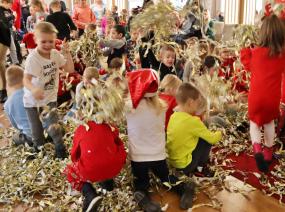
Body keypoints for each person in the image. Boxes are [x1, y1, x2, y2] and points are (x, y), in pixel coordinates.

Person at [126, 70, 195, 212]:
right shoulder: (162, 106)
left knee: (141, 183)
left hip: (139, 158)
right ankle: (183, 187)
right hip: (158, 155)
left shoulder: (130, 108)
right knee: (165, 178)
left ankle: (144, 198)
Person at [64, 73, 127, 212]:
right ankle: (108, 183)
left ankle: (89, 193)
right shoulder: (110, 126)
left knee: (69, 170)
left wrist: (81, 162)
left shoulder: (82, 128)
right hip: (115, 167)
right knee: (109, 153)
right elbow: (117, 143)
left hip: (92, 171)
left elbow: (74, 155)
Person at [240, 14, 285, 173]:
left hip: (256, 97)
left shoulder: (255, 52)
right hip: (273, 98)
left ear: (262, 33)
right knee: (269, 123)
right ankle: (268, 153)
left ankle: (257, 148)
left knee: (254, 124)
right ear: (281, 34)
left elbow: (246, 64)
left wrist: (244, 50)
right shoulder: (283, 55)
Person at [23, 21, 74, 158]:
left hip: (49, 99)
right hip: (32, 103)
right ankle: (39, 151)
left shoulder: (55, 54)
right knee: (37, 132)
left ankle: (60, 151)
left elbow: (70, 69)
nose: (47, 45)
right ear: (35, 40)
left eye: (50, 41)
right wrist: (33, 89)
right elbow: (26, 80)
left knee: (54, 128)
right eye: (43, 41)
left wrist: (67, 52)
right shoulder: (33, 59)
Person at [166, 82, 222, 177]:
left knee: (199, 136)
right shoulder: (193, 121)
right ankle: (200, 168)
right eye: (198, 103)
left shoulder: (173, 116)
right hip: (186, 166)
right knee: (205, 140)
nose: (198, 106)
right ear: (191, 103)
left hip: (173, 163)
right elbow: (213, 139)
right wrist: (220, 132)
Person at [4, 65, 32, 146]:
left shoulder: (7, 104)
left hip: (29, 137)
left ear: (8, 84)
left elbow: (15, 125)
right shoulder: (32, 91)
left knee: (15, 137)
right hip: (44, 131)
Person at [0, 0, 16, 103]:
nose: (10, 5)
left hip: (3, 38)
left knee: (1, 63)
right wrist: (11, 17)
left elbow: (6, 24)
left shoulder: (7, 11)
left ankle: (3, 90)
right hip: (3, 36)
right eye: (9, 3)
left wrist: (11, 17)